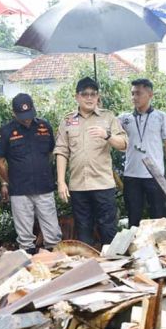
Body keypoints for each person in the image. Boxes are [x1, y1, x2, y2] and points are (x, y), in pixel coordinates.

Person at [54, 77, 128, 246]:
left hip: (103, 184)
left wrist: (107, 135)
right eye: (85, 94)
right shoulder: (67, 121)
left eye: (93, 94)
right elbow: (61, 151)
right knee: (83, 231)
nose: (89, 98)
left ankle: (113, 268)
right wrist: (60, 182)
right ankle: (89, 269)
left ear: (98, 97)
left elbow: (124, 144)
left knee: (108, 230)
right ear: (77, 97)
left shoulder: (108, 117)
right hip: (78, 186)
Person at [0, 93, 62, 254]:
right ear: (13, 113)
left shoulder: (44, 126)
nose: (26, 119)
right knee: (25, 238)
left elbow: (51, 152)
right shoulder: (5, 131)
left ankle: (55, 264)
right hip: (19, 190)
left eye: (29, 115)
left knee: (52, 232)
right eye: (22, 116)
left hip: (44, 186)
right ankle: (29, 267)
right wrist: (8, 181)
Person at [118, 78, 166, 228]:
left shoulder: (161, 117)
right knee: (133, 218)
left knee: (159, 217)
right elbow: (108, 130)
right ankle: (133, 249)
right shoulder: (124, 119)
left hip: (155, 175)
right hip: (131, 175)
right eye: (132, 94)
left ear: (150, 94)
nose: (134, 97)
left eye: (138, 93)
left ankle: (159, 249)